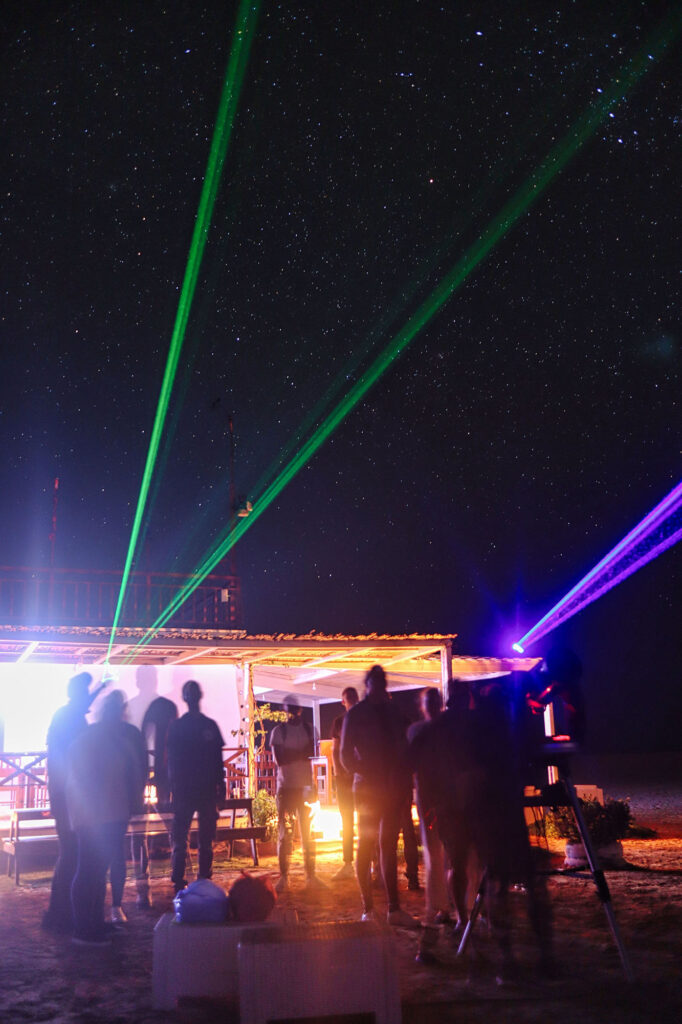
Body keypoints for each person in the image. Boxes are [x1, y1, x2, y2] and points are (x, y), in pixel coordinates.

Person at [340, 665, 419, 929]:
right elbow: (345, 755)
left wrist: (402, 778)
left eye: (384, 682)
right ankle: (367, 907)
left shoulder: (393, 712)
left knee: (387, 845)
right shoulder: (358, 714)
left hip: (391, 788)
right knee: (366, 843)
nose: (382, 687)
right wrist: (367, 771)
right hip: (368, 789)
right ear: (369, 685)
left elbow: (405, 747)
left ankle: (393, 909)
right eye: (377, 682)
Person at [66, 689, 143, 945]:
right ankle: (82, 928)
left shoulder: (110, 740)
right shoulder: (92, 740)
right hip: (94, 816)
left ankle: (93, 923)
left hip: (110, 814)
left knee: (98, 870)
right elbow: (82, 777)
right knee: (89, 868)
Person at [42, 672, 98, 934]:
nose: (90, 697)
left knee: (71, 853)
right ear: (79, 694)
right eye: (87, 692)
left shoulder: (67, 715)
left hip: (67, 795)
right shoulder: (71, 719)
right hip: (69, 796)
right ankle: (61, 914)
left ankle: (61, 912)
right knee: (71, 853)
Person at [167, 680, 226, 894]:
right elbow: (217, 761)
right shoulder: (207, 726)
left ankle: (181, 881)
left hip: (189, 790)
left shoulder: (178, 727)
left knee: (186, 838)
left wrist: (171, 789)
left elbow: (171, 762)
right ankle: (199, 880)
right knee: (200, 839)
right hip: (202, 789)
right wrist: (222, 788)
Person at [408, 686, 451, 962]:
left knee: (450, 855)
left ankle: (449, 909)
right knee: (435, 856)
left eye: (436, 701)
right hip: (430, 798)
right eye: (430, 702)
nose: (433, 706)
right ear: (423, 706)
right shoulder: (418, 731)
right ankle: (439, 913)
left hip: (447, 797)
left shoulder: (444, 729)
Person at [270, 695, 325, 893]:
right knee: (285, 834)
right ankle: (285, 877)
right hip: (286, 789)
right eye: (288, 710)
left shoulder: (309, 730)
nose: (290, 713)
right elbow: (280, 760)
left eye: (293, 709)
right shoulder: (279, 731)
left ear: (299, 709)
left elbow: (308, 754)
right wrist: (300, 753)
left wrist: (293, 753)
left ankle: (311, 876)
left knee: (307, 834)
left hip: (304, 788)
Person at [108, 694, 148, 923]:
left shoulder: (110, 735)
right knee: (135, 845)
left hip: (116, 800)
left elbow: (141, 766)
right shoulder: (132, 733)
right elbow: (142, 766)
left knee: (117, 850)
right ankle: (138, 894)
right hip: (127, 798)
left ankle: (118, 903)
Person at [331, 686, 359, 880]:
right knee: (347, 818)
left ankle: (371, 862)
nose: (350, 700)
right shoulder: (339, 722)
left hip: (362, 775)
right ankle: (348, 862)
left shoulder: (364, 719)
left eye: (352, 697)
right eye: (347, 698)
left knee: (367, 818)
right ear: (343, 702)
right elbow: (334, 749)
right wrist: (338, 771)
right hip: (344, 777)